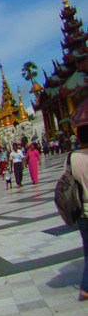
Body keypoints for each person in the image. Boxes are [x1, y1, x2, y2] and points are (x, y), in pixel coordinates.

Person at [69, 125, 88, 300]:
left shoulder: (72, 158)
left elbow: (68, 184)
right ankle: (85, 285)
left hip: (82, 211)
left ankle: (85, 287)